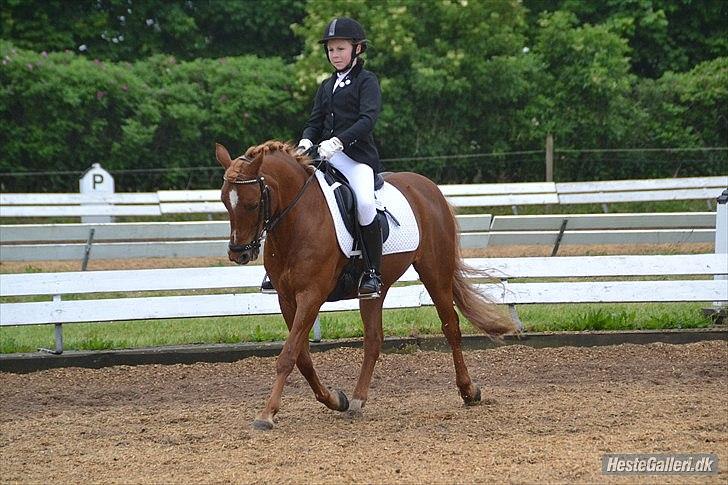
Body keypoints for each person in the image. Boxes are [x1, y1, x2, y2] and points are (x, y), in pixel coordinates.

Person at [261, 17, 383, 299]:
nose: (335, 55)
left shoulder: (367, 81)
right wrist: (306, 140)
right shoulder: (327, 86)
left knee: (364, 203)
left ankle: (373, 273)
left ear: (357, 49)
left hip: (356, 158)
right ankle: (277, 267)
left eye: (340, 49)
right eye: (331, 50)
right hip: (324, 157)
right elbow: (314, 121)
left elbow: (367, 119)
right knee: (293, 198)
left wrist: (340, 141)